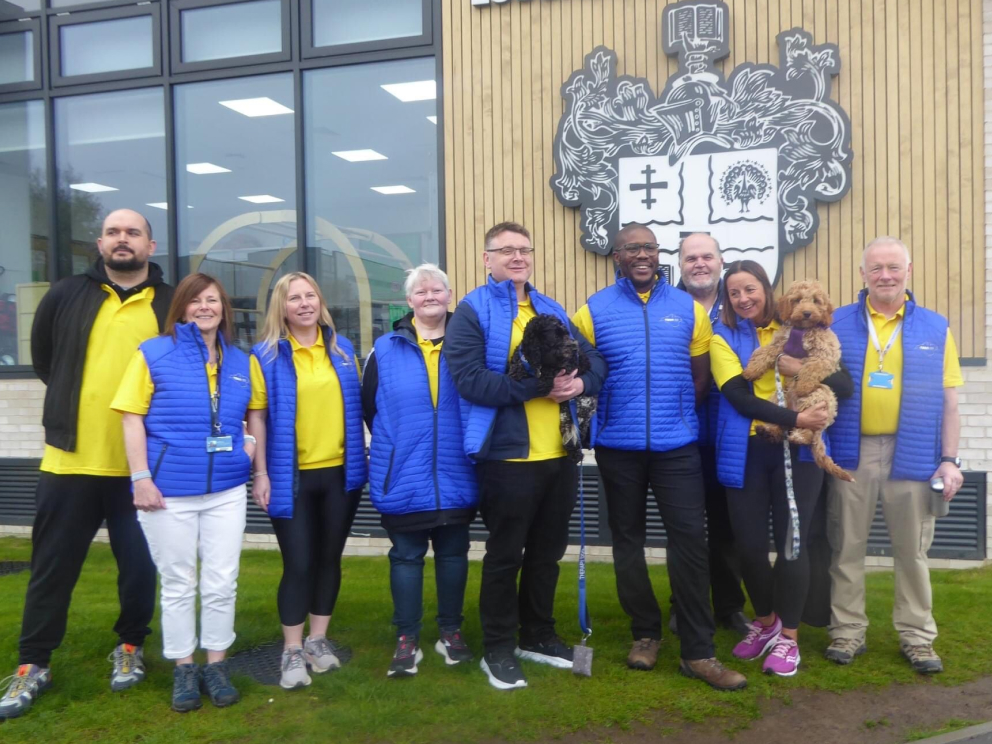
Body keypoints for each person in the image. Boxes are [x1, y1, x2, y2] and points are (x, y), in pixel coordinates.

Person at [0, 210, 173, 720]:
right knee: (51, 570)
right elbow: (45, 359)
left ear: (149, 243)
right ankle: (33, 664)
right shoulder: (66, 294)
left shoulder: (169, 302)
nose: (123, 240)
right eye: (114, 232)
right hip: (69, 460)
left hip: (141, 468)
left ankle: (130, 647)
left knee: (139, 568)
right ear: (100, 242)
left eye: (133, 233)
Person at [572, 224, 745, 691]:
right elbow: (582, 375)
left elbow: (700, 381)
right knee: (627, 542)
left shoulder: (688, 309)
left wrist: (674, 417)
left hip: (676, 449)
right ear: (617, 256)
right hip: (618, 449)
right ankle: (645, 634)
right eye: (632, 248)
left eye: (649, 247)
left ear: (658, 254)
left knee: (689, 543)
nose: (642, 255)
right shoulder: (591, 312)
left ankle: (699, 651)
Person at [444, 221, 606, 690]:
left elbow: (595, 361)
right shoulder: (472, 311)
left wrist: (578, 384)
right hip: (507, 459)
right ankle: (497, 647)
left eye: (524, 250)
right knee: (504, 556)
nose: (517, 257)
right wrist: (539, 387)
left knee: (546, 554)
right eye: (506, 250)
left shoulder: (551, 308)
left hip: (559, 454)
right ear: (486, 258)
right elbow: (471, 379)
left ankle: (537, 635)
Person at [112, 273, 252, 712]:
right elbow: (131, 417)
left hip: (226, 491)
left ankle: (216, 662)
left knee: (221, 581)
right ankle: (184, 668)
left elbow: (254, 414)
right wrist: (140, 478)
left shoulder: (240, 360)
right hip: (167, 492)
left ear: (223, 309)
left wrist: (247, 450)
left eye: (213, 300)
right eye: (196, 301)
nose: (205, 307)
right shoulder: (153, 353)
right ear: (182, 308)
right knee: (178, 583)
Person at [825, 237, 964, 674]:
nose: (885, 275)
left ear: (909, 270)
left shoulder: (935, 327)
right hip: (852, 451)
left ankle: (918, 637)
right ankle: (847, 632)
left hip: (913, 454)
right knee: (847, 547)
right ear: (862, 275)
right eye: (876, 268)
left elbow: (951, 400)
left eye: (893, 267)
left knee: (912, 551)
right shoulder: (836, 323)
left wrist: (949, 460)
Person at [710, 260, 852, 677]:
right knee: (750, 545)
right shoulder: (721, 337)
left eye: (750, 289)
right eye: (735, 292)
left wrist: (800, 373)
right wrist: (796, 419)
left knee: (794, 541)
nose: (744, 298)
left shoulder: (801, 329)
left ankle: (788, 638)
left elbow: (842, 383)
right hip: (749, 448)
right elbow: (738, 396)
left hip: (799, 452)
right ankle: (766, 622)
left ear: (768, 291)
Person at [247, 272, 367, 690]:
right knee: (298, 562)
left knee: (328, 559)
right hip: (289, 476)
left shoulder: (342, 349)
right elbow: (256, 417)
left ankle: (317, 641)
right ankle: (292, 650)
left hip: (340, 474)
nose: (303, 303)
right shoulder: (264, 355)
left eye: (310, 295)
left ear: (320, 301)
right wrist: (259, 473)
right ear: (281, 307)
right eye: (293, 298)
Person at [362, 263, 478, 678]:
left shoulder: (468, 343)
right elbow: (370, 407)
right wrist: (398, 448)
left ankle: (451, 631)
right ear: (409, 300)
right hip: (403, 474)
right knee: (407, 558)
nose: (430, 296)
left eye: (437, 290)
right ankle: (406, 637)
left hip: (456, 472)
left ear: (450, 295)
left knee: (453, 555)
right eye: (421, 291)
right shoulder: (385, 347)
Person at [674, 233, 748, 637]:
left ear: (721, 261)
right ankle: (682, 603)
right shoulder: (668, 305)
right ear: (680, 264)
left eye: (707, 256)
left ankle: (729, 606)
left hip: (730, 432)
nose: (699, 264)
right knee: (684, 529)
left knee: (726, 527)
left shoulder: (739, 305)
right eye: (691, 258)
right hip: (680, 435)